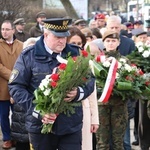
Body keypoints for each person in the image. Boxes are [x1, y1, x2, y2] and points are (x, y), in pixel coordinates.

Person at [8, 18, 95, 150]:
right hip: (40, 127)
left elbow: (90, 79)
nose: (62, 41)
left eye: (65, 37)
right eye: (57, 37)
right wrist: (39, 110)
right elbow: (16, 86)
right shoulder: (28, 56)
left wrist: (78, 93)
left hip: (70, 125)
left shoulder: (76, 53)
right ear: (46, 35)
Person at [67, 27, 99, 150]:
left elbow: (92, 93)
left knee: (85, 145)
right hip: (65, 111)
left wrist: (94, 119)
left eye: (79, 43)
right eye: (73, 43)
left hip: (84, 111)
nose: (76, 46)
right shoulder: (61, 60)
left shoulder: (87, 63)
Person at [96, 30, 128, 150]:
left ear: (118, 43)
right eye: (108, 41)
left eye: (113, 41)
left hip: (119, 105)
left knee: (118, 142)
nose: (110, 43)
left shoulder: (125, 61)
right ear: (103, 43)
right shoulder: (97, 61)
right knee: (102, 143)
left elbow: (131, 81)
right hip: (101, 106)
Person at [0, 20, 23, 149]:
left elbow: (24, 63)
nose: (4, 31)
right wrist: (12, 76)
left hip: (18, 85)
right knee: (3, 114)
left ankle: (16, 137)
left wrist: (18, 77)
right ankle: (7, 138)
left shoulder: (21, 45)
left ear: (13, 30)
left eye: (7, 29)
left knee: (18, 114)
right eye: (2, 29)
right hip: (2, 85)